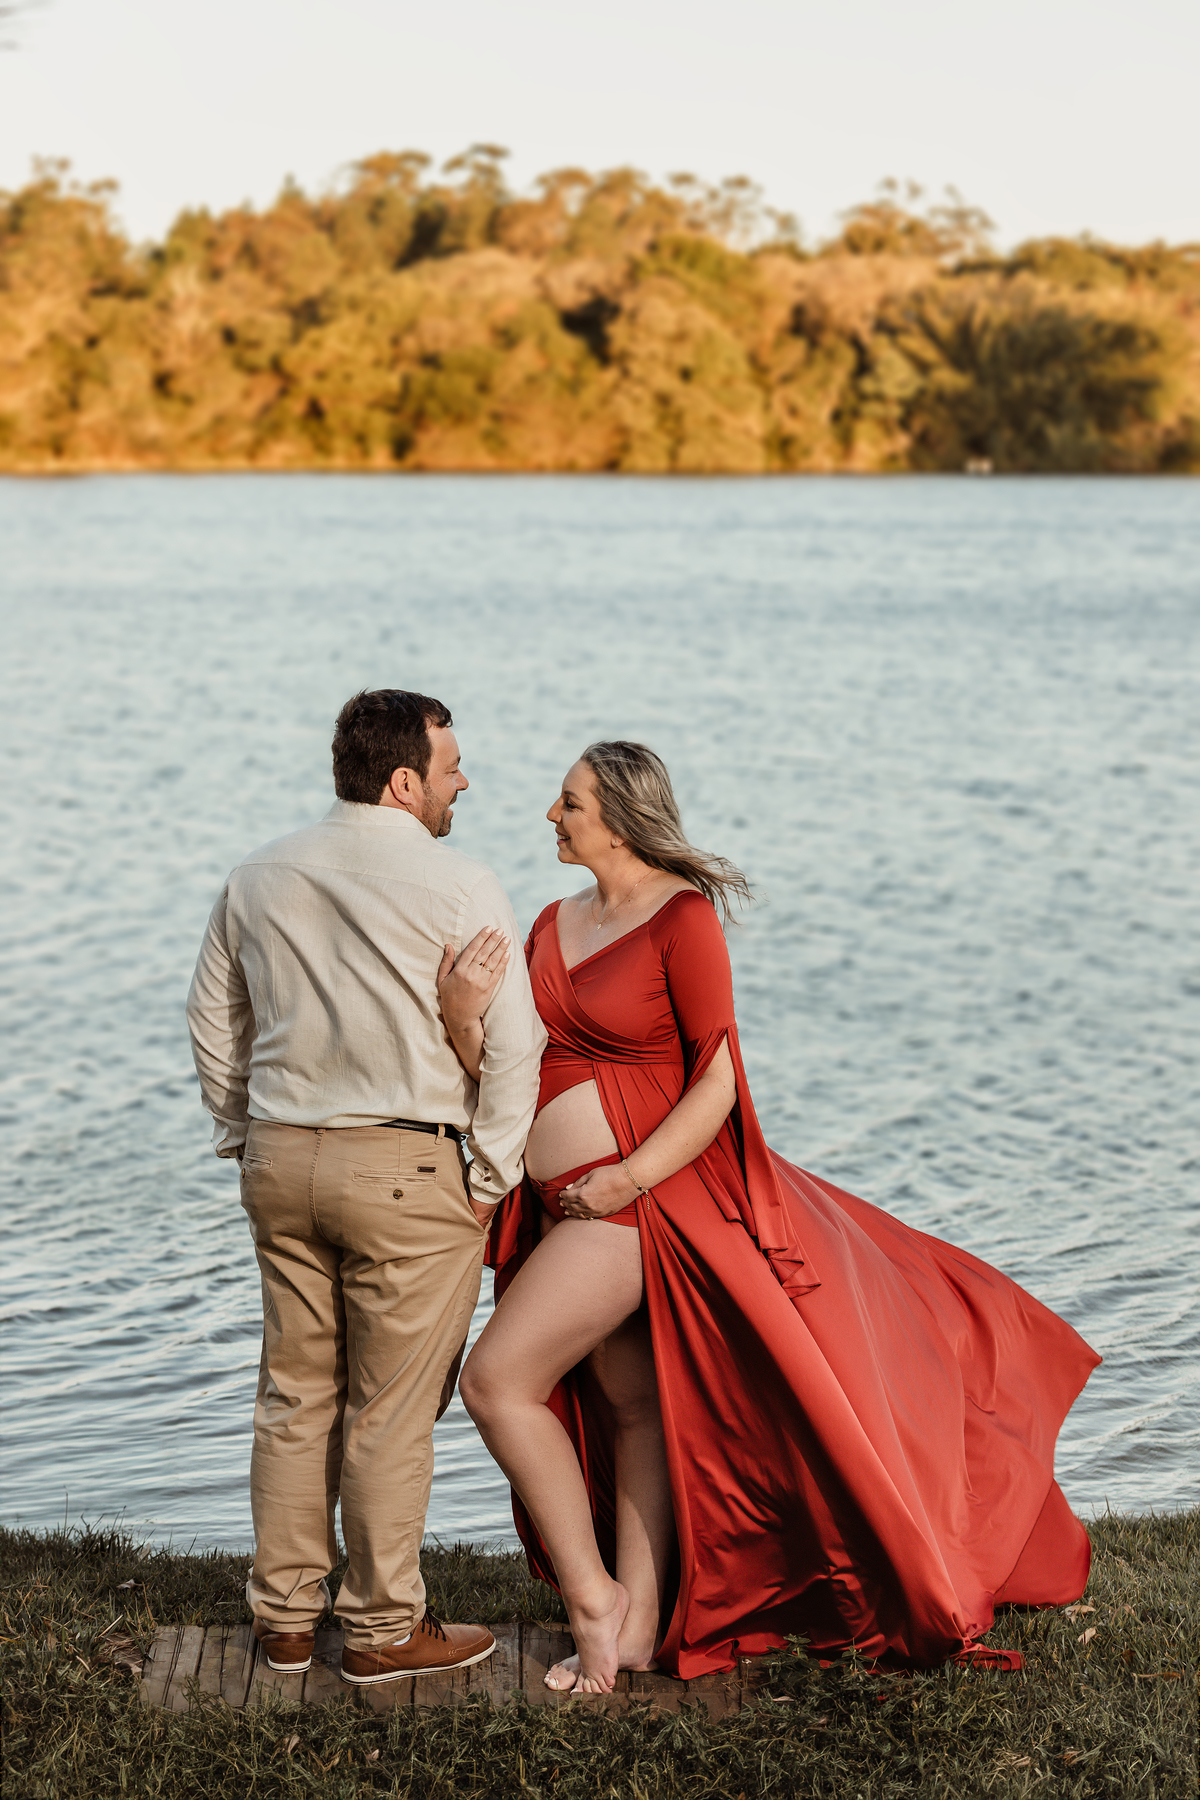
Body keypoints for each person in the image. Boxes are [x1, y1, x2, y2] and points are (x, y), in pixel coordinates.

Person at [447, 741, 1100, 1694]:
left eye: (570, 801)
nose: (552, 813)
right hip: (562, 1203)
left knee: (497, 1381)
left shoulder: (682, 920)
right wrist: (464, 1016)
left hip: (636, 1205)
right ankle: (638, 1624)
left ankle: (593, 1602)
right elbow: (511, 1070)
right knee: (633, 1406)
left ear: (620, 816)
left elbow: (716, 1081)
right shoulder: (550, 922)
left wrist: (629, 1179)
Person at [186, 689, 545, 1685]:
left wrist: (241, 1129)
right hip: (406, 1169)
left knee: (294, 1394)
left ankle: (285, 1622)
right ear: (402, 783)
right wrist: (490, 1176)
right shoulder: (461, 883)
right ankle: (384, 1632)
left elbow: (214, 1019)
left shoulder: (258, 875)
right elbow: (516, 1048)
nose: (463, 782)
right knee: (390, 1410)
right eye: (450, 768)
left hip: (282, 1158)